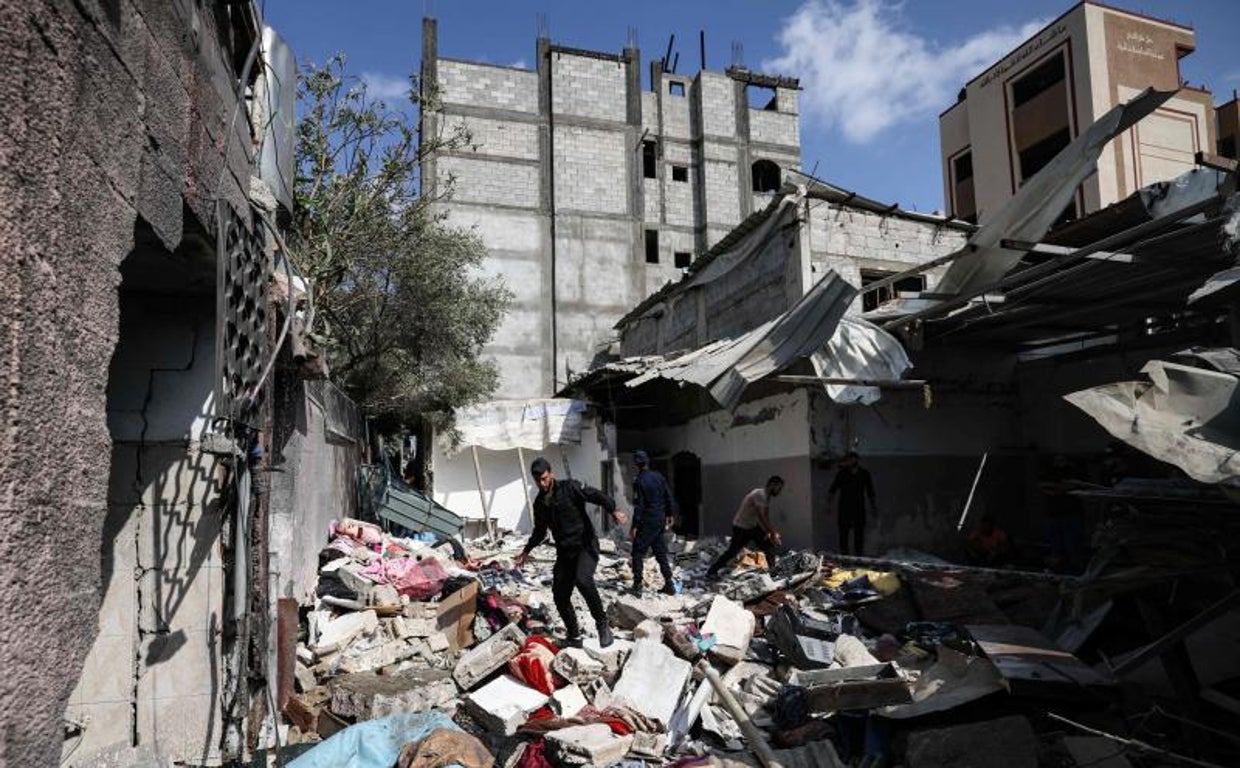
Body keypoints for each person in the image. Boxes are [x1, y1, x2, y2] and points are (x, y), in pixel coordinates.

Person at [514, 457, 627, 648]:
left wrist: (613, 509)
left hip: (585, 545)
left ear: (551, 474)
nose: (542, 484)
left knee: (583, 580)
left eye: (544, 478)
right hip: (565, 552)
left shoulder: (570, 487)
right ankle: (573, 635)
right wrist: (526, 551)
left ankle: (602, 623)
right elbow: (540, 531)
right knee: (559, 594)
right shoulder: (540, 503)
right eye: (537, 480)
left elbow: (595, 495)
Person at [706, 476, 785, 578]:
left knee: (768, 547)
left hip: (752, 526)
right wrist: (772, 533)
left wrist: (768, 532)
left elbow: (765, 515)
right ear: (772, 485)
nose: (779, 491)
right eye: (779, 488)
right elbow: (761, 516)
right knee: (732, 552)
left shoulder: (766, 496)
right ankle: (711, 571)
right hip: (741, 527)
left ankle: (773, 573)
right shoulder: (760, 494)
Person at [629, 450, 677, 596]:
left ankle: (637, 585)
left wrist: (634, 525)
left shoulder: (639, 481)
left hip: (647, 520)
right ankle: (669, 583)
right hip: (660, 520)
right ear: (647, 462)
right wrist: (670, 514)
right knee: (660, 552)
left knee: (637, 552)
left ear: (636, 464)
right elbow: (668, 496)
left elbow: (640, 505)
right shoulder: (659, 477)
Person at [1039, 454, 1088, 573]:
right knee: (1055, 546)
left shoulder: (1073, 472)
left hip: (1071, 514)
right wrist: (1059, 488)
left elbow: (1073, 486)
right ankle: (1058, 570)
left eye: (1061, 459)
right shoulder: (1049, 472)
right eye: (1057, 459)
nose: (1059, 462)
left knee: (1073, 545)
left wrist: (1057, 488)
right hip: (1053, 514)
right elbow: (1042, 486)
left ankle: (1077, 570)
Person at [829, 452, 875, 556]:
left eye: (850, 460)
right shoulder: (842, 474)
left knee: (859, 535)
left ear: (856, 460)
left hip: (859, 508)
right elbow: (833, 490)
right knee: (843, 535)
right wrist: (829, 505)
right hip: (844, 508)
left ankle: (858, 557)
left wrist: (873, 507)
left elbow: (870, 492)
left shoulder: (864, 474)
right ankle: (845, 558)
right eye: (847, 460)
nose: (848, 462)